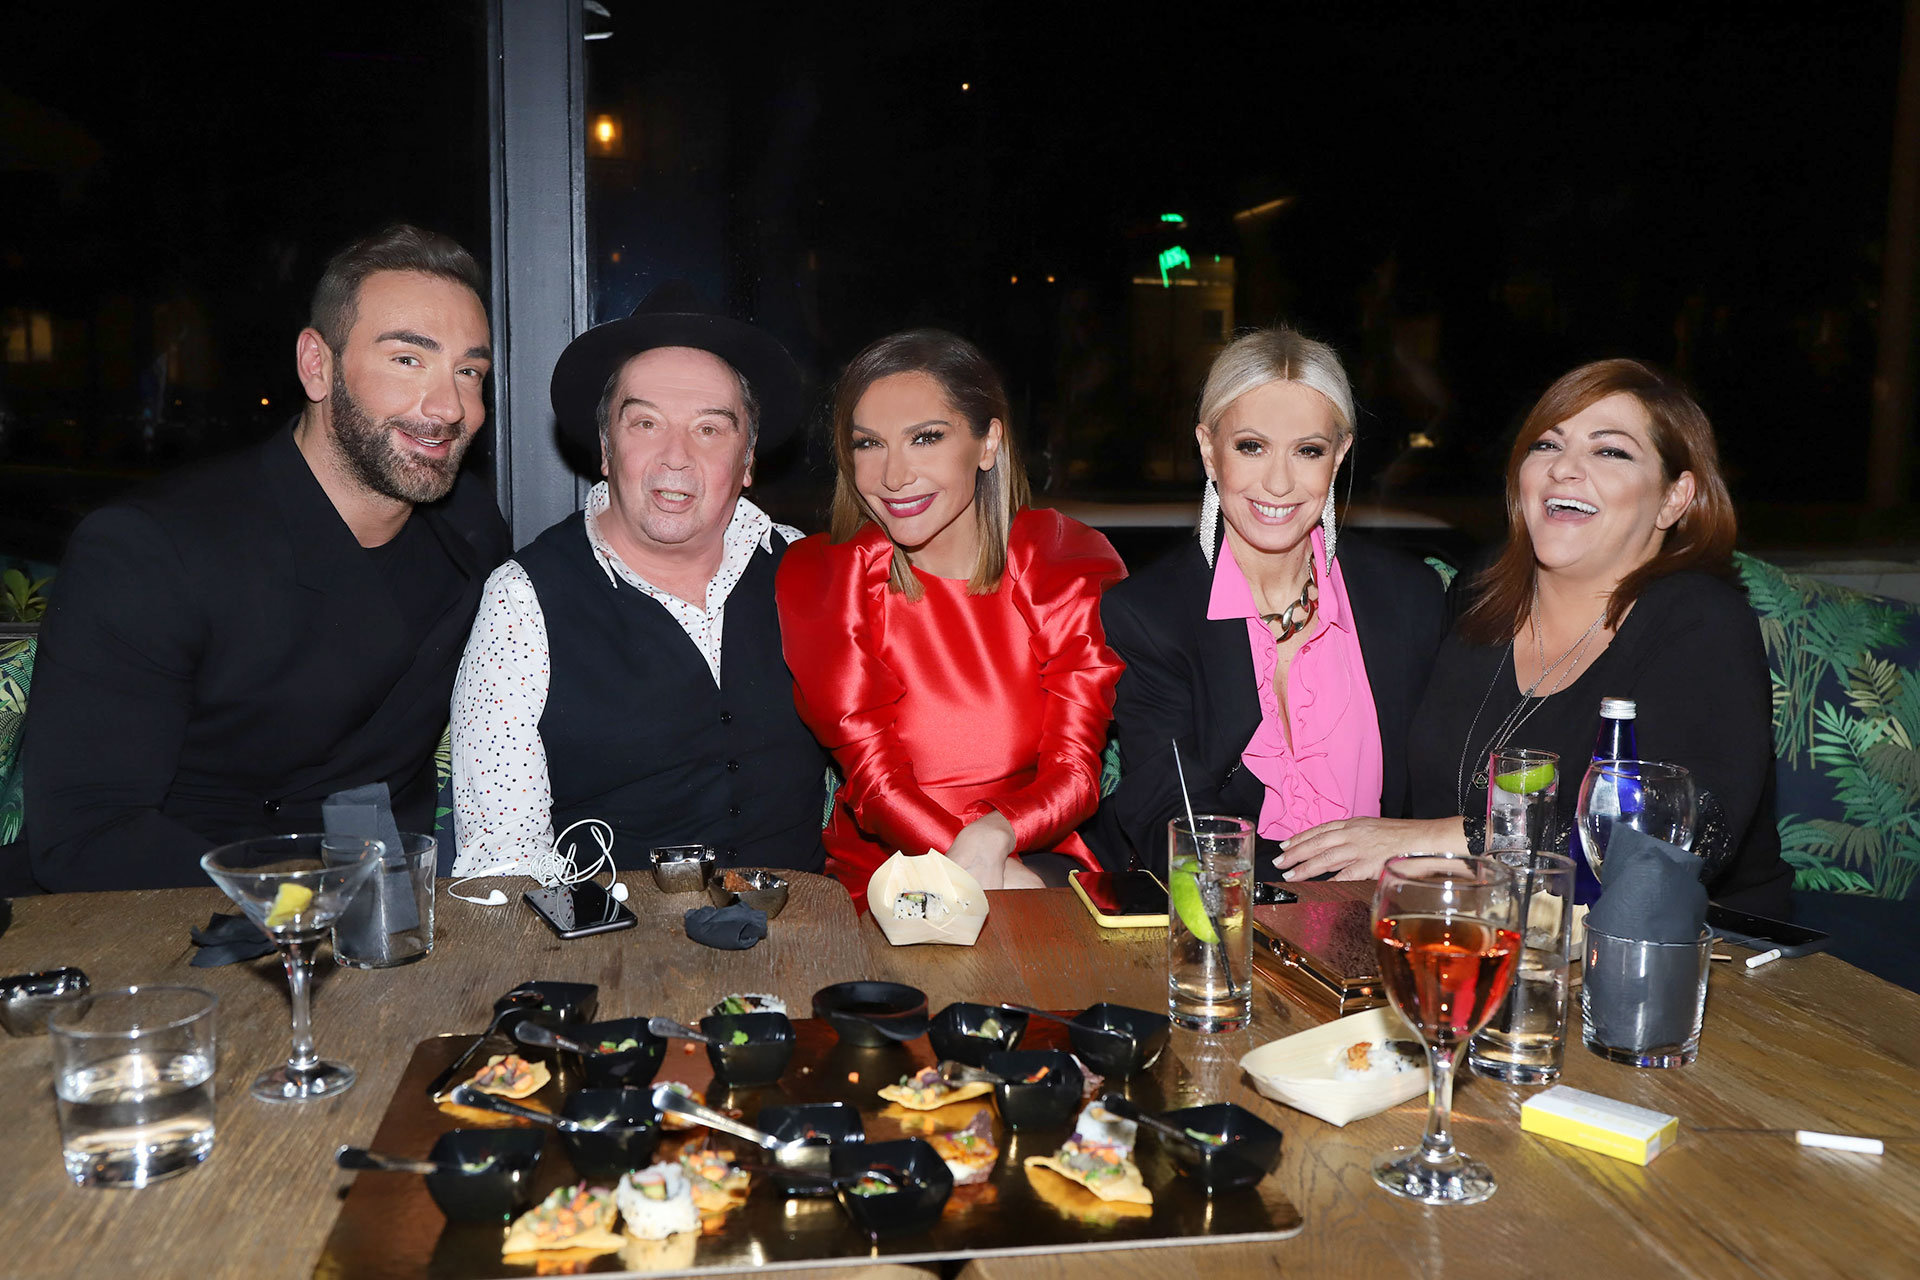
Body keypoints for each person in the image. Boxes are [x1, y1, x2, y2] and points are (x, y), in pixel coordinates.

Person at [25, 224, 510, 890]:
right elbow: (89, 833)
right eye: (407, 359)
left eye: (469, 372)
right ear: (317, 365)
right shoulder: (152, 549)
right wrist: (296, 910)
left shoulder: (470, 530)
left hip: (397, 905)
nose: (449, 406)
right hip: (185, 907)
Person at [1279, 358, 1793, 916]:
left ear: (1674, 497)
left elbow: (1683, 838)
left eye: (1610, 451)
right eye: (1547, 445)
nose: (1564, 469)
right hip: (1461, 923)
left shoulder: (1700, 621)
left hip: (1683, 944)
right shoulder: (1480, 594)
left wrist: (1447, 839)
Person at [450, 284, 826, 881]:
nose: (675, 456)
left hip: (800, 923)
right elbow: (504, 861)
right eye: (646, 423)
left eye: (709, 429)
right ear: (606, 447)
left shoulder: (807, 569)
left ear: (748, 459)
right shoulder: (522, 600)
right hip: (614, 930)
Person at [775, 330, 1125, 906]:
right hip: (887, 881)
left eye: (925, 438)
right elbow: (877, 784)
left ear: (988, 444)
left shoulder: (1054, 563)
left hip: (1032, 855)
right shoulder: (830, 578)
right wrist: (974, 869)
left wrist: (996, 838)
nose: (893, 475)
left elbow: (1076, 770)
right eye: (869, 444)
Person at [1086, 327, 1448, 879]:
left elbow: (1455, 779)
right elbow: (1170, 814)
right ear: (1209, 450)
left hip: (1384, 913)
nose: (1279, 482)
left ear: (1339, 456)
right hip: (1229, 913)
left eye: (1308, 451)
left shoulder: (1409, 597)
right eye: (1251, 447)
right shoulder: (1149, 615)